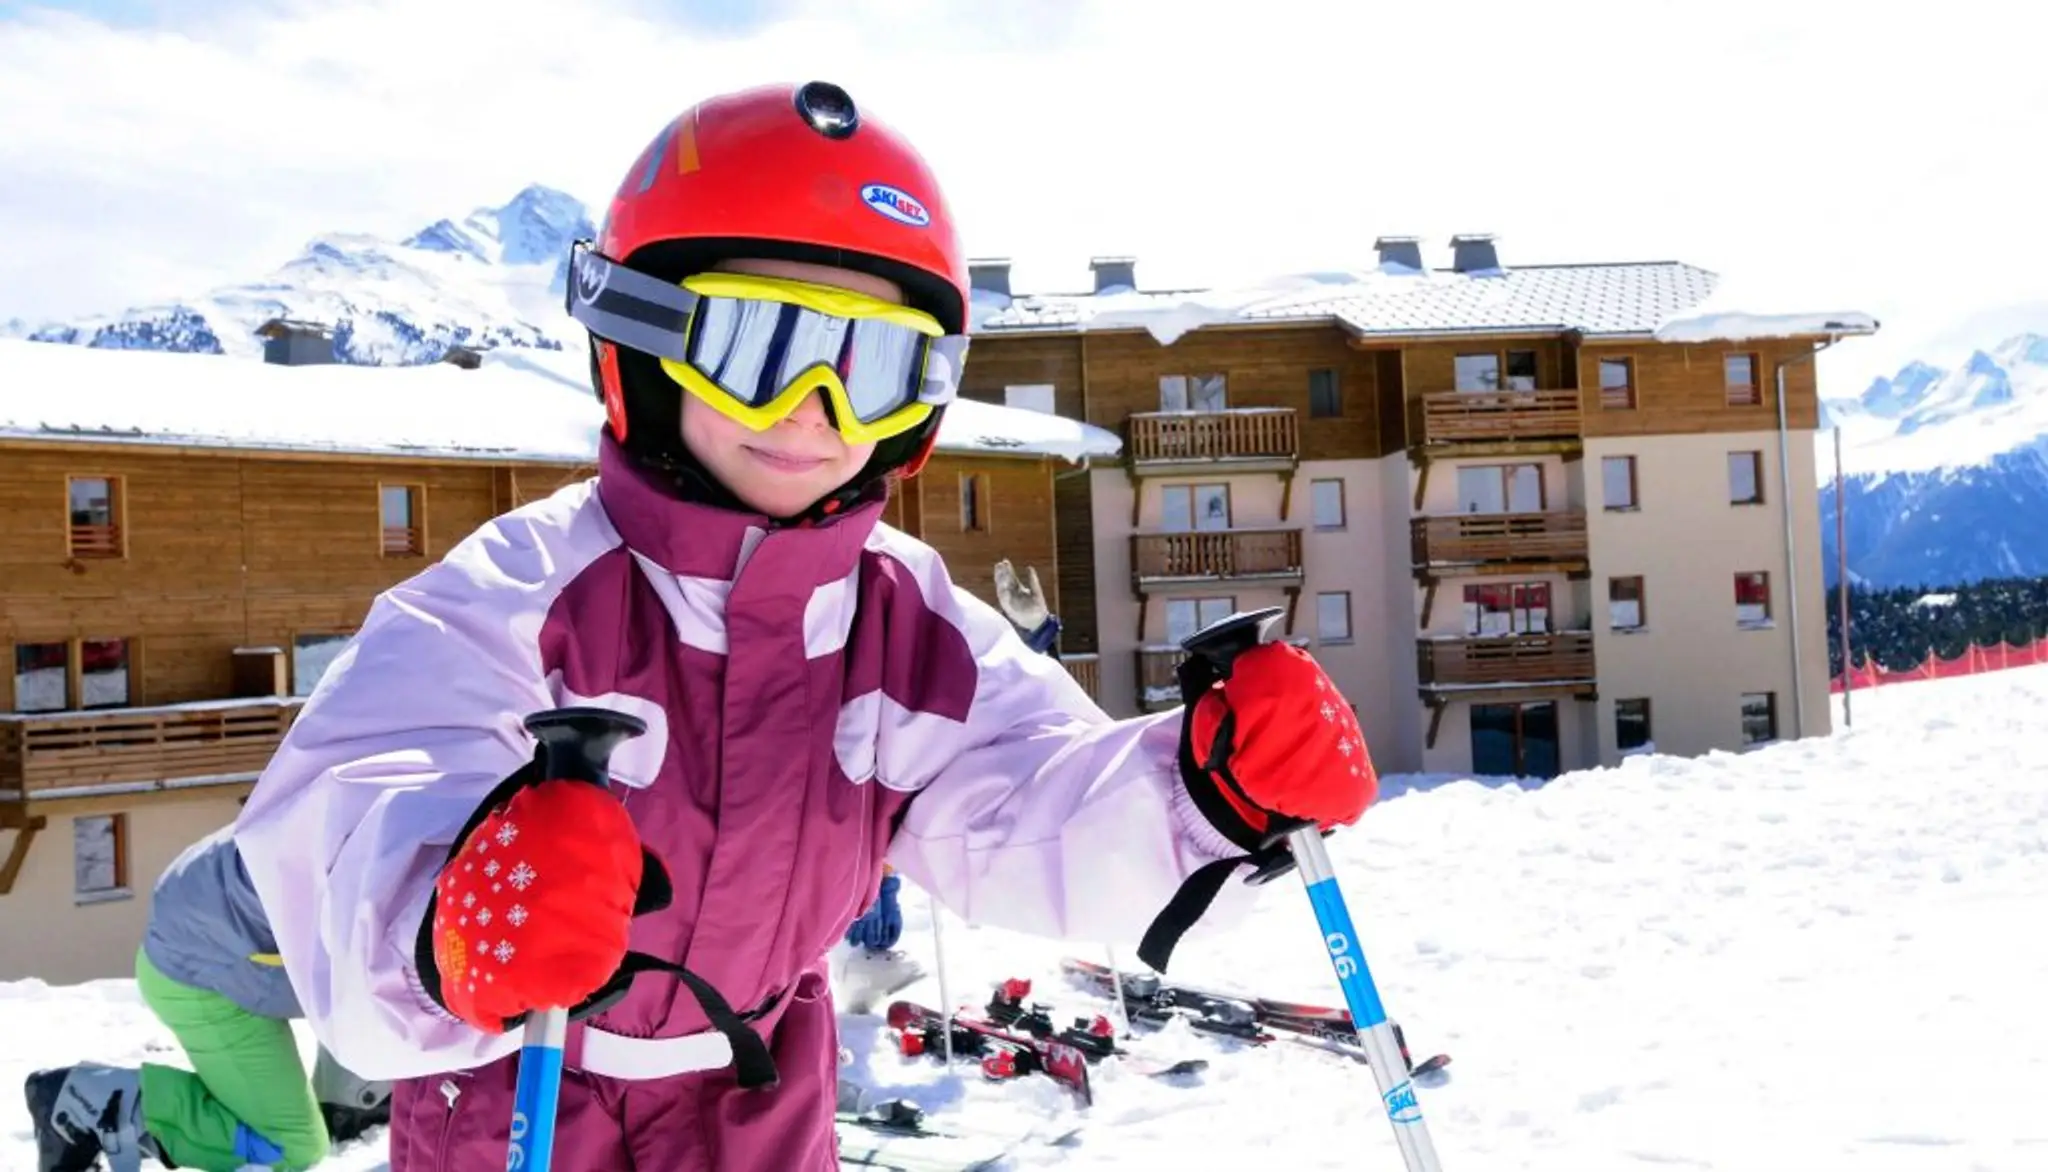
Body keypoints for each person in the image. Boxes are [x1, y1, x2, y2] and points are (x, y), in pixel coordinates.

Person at [229, 79, 1379, 1172]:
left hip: (757, 1100)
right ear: (642, 340)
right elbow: (354, 804)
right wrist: (448, 925)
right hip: (521, 1094)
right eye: (755, 351)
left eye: (871, 365)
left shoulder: (901, 615)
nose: (814, 413)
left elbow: (1030, 805)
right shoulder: (520, 591)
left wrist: (1213, 788)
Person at [23, 826, 392, 1172]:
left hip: (220, 927)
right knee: (289, 1148)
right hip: (203, 972)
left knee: (385, 982)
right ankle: (85, 1100)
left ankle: (354, 1100)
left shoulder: (397, 807)